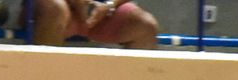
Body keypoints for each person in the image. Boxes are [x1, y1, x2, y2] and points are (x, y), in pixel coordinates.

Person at [30, 0, 158, 50]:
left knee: (145, 26)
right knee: (54, 9)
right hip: (62, 7)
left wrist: (109, 5)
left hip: (103, 11)